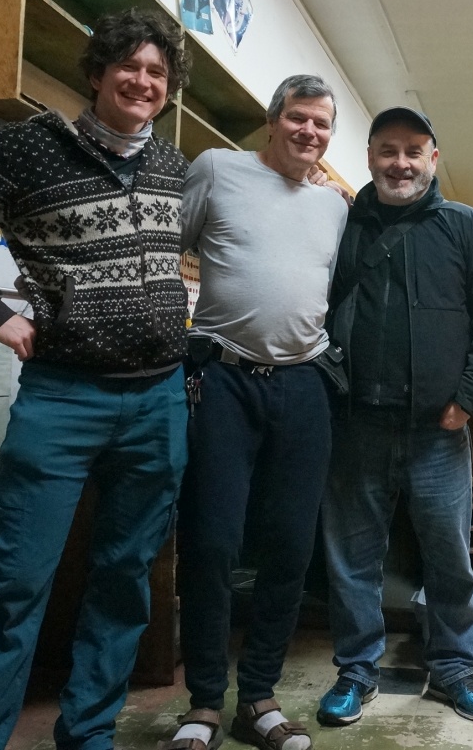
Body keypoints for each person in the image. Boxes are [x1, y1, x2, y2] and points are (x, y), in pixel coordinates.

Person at [0, 9, 192, 750]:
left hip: (159, 399)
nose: (143, 81)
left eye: (157, 72)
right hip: (63, 397)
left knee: (126, 581)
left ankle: (88, 731)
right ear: (97, 73)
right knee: (15, 581)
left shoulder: (174, 166)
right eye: (129, 66)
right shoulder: (30, 150)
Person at [164, 75, 349, 750]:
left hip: (303, 386)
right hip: (224, 381)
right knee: (212, 541)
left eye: (321, 124)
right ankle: (207, 701)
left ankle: (261, 697)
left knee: (290, 547)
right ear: (273, 121)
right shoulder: (218, 169)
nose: (309, 132)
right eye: (298, 118)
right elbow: (167, 254)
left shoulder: (333, 206)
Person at [315, 107, 473, 726]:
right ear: (370, 154)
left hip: (439, 430)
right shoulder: (341, 225)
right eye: (388, 150)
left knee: (449, 555)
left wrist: (469, 396)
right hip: (357, 424)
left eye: (414, 150)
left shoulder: (467, 227)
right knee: (353, 556)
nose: (401, 162)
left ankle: (455, 668)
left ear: (433, 157)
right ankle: (356, 669)